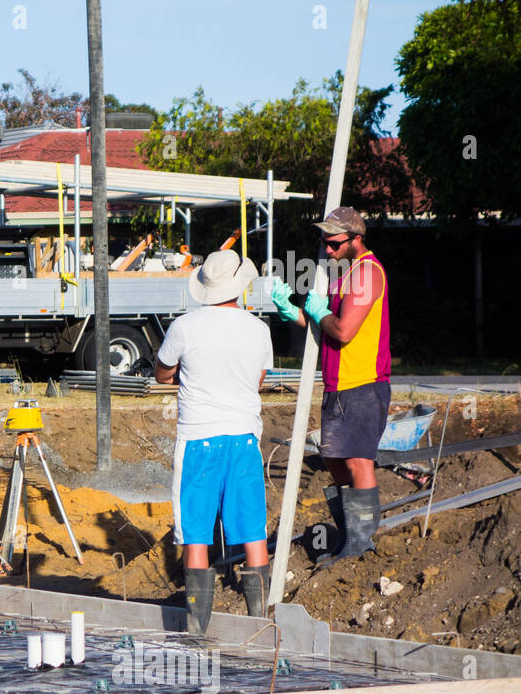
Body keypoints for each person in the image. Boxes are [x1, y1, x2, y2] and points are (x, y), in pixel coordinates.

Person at [154, 250, 273, 636]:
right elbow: (258, 379)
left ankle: (197, 630)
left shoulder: (185, 327)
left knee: (196, 534)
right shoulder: (258, 329)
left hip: (199, 439)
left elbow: (162, 373)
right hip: (244, 438)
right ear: (238, 287)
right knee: (252, 530)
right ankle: (260, 623)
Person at [271, 206, 390, 563]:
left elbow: (343, 329)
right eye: (324, 241)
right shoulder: (343, 274)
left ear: (356, 238)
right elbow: (319, 325)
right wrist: (292, 311)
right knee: (336, 461)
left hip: (363, 383)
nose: (328, 248)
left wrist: (321, 312)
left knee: (357, 461)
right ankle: (348, 539)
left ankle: (362, 545)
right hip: (337, 384)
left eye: (335, 241)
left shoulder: (368, 273)